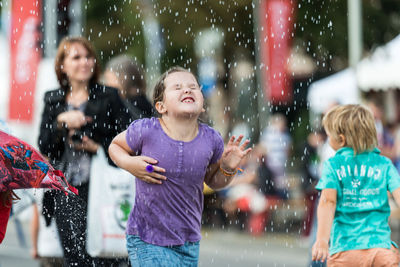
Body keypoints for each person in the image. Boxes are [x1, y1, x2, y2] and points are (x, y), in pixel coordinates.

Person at [108, 66, 252, 266]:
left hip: (188, 240)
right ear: (161, 106)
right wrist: (129, 163)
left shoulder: (211, 139)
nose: (187, 90)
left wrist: (227, 167)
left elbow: (214, 181)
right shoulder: (147, 130)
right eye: (177, 87)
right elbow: (115, 146)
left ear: (202, 105)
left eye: (193, 86)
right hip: (147, 236)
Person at [38, 36, 131, 266]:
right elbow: (45, 145)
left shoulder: (108, 96)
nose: (84, 62)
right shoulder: (53, 100)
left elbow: (128, 136)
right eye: (76, 57)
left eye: (88, 56)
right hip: (65, 189)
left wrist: (98, 146)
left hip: (101, 186)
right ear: (62, 65)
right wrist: (61, 122)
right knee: (74, 258)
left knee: (104, 256)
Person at [311, 104, 400, 266]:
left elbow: (327, 202)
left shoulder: (333, 165)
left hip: (346, 251)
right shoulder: (384, 164)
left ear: (341, 139)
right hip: (381, 250)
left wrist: (322, 240)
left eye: (329, 134)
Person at [104, 54, 154, 119]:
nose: (107, 85)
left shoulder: (126, 105)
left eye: (109, 79)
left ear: (124, 78)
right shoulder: (145, 102)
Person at [30, 190, 64, 267]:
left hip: (47, 248)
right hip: (66, 248)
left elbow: (35, 222)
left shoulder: (37, 189)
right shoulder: (68, 185)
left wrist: (34, 247)